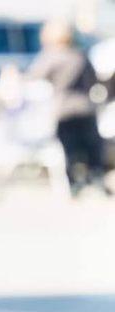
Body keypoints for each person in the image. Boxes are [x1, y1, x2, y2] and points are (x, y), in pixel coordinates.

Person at [28, 19, 110, 196]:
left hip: (63, 108)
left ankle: (74, 184)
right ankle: (97, 181)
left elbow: (34, 77)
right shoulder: (80, 56)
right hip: (85, 107)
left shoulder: (50, 57)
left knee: (69, 150)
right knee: (92, 148)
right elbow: (93, 80)